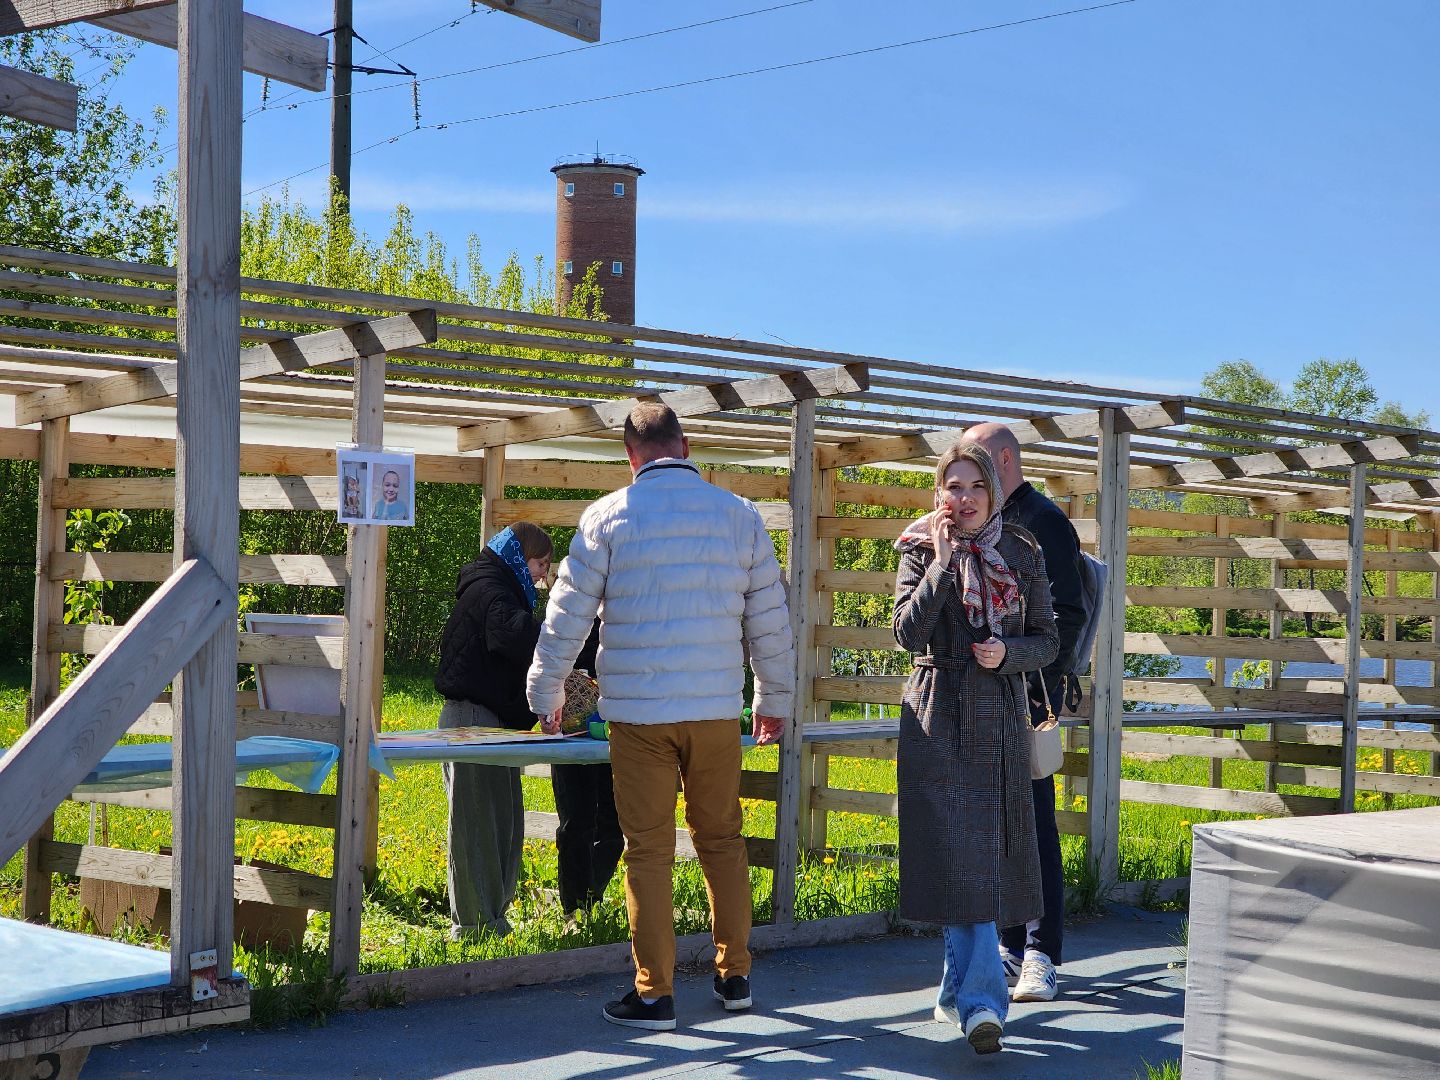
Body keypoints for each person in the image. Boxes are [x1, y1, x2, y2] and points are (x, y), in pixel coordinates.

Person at [527, 402, 794, 1032]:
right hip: (715, 711)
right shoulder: (740, 516)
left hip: (639, 717)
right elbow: (769, 619)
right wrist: (773, 698)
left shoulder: (606, 517)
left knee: (647, 850)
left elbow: (567, 616)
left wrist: (546, 692)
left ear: (631, 457)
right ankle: (735, 976)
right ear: (686, 445)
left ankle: (654, 995)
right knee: (721, 840)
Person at [892, 441, 1058, 1055]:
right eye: (953, 487)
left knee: (981, 861)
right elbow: (906, 632)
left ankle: (961, 991)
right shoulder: (917, 547)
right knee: (956, 857)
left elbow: (1047, 640)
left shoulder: (1021, 550)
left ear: (992, 491)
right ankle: (983, 1003)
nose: (964, 499)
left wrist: (1007, 653)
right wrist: (940, 565)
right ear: (939, 494)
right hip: (935, 715)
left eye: (975, 487)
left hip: (1000, 721)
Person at [960, 422, 1086, 1003]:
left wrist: (1030, 676)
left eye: (978, 458)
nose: (967, 471)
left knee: (1034, 825)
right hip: (980, 699)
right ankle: (1010, 947)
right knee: (997, 829)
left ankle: (1042, 953)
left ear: (1005, 459)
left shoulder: (1043, 522)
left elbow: (1065, 617)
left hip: (1028, 698)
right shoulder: (981, 521)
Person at [433, 521, 584, 938]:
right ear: (519, 555)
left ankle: (492, 918)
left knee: (502, 822)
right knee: (477, 825)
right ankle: (475, 926)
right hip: (472, 721)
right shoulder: (490, 589)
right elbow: (512, 636)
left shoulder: (493, 586)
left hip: (488, 720)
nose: (542, 574)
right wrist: (566, 640)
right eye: (540, 563)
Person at [549, 622, 624, 921]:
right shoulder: (566, 613)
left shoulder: (622, 611)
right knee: (576, 822)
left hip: (614, 726)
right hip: (572, 729)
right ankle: (575, 910)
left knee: (613, 826)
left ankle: (589, 898)